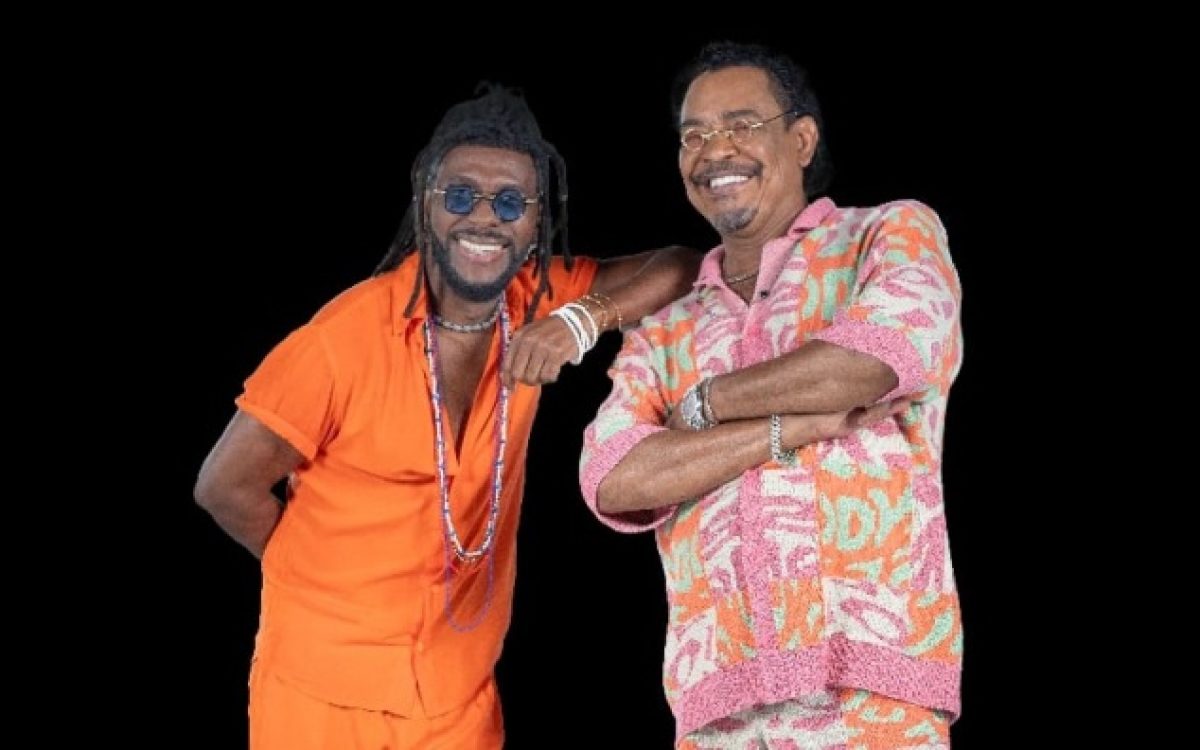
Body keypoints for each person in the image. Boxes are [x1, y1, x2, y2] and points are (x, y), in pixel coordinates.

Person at [194, 83, 699, 749]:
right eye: (460, 195)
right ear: (427, 202)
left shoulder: (537, 299)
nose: (484, 219)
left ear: (535, 223)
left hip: (458, 694)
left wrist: (583, 320)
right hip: (322, 693)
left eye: (510, 203)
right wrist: (316, 571)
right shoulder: (338, 343)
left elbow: (684, 267)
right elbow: (224, 486)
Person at [579, 41, 964, 749]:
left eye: (741, 125)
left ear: (802, 139)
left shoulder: (886, 234)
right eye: (694, 135)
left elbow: (873, 361)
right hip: (721, 708)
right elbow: (613, 477)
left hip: (873, 689)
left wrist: (706, 406)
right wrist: (796, 427)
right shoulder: (666, 326)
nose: (714, 150)